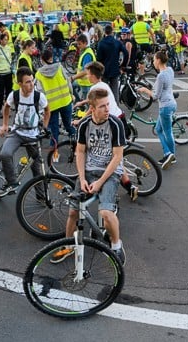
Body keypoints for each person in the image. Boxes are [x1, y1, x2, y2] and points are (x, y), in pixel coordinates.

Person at [51, 87, 127, 266]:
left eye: (108, 105)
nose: (107, 109)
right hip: (89, 171)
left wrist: (100, 182)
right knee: (73, 211)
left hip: (109, 173)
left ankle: (116, 245)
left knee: (106, 212)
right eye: (102, 106)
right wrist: (82, 178)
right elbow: (80, 152)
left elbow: (117, 157)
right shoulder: (85, 125)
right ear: (92, 109)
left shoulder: (115, 124)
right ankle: (69, 245)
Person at [0, 67, 50, 196]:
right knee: (5, 154)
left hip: (33, 135)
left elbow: (47, 110)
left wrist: (45, 128)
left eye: (32, 81)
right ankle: (11, 183)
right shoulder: (14, 95)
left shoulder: (39, 96)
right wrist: (5, 125)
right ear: (20, 84)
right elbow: (7, 107)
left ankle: (41, 196)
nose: (31, 85)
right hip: (17, 133)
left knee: (37, 168)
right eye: (27, 82)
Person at [138, 50, 178, 169]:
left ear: (159, 60)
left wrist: (144, 90)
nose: (153, 62)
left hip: (165, 106)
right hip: (172, 103)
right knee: (158, 129)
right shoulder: (170, 70)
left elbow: (156, 96)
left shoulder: (161, 76)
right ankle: (169, 154)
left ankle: (170, 155)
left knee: (167, 131)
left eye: (154, 59)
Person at [35, 48, 76, 144]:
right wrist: (71, 94)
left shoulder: (39, 74)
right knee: (69, 125)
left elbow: (40, 92)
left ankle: (54, 152)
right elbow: (68, 82)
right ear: (51, 58)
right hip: (66, 101)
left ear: (42, 59)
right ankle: (77, 145)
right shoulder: (60, 67)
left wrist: (42, 107)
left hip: (51, 106)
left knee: (54, 129)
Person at [96, 25, 128, 103]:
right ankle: (116, 109)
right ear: (112, 32)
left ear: (104, 32)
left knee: (104, 90)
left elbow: (99, 58)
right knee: (115, 90)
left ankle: (105, 105)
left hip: (104, 70)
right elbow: (126, 53)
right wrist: (123, 65)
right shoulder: (117, 42)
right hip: (115, 69)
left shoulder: (101, 43)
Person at [70, 34, 96, 102]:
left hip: (86, 82)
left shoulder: (87, 55)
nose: (78, 46)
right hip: (81, 80)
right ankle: (79, 104)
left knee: (87, 102)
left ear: (85, 43)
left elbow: (85, 71)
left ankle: (82, 107)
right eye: (77, 44)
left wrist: (73, 77)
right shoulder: (86, 51)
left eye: (80, 44)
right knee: (70, 86)